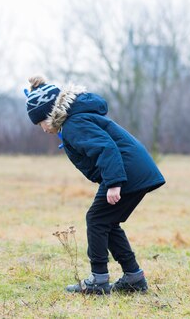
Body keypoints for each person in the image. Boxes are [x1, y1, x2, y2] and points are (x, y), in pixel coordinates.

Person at [24, 75, 165, 295]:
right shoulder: (75, 121)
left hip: (127, 173)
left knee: (96, 219)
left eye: (41, 122)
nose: (42, 129)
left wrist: (114, 183)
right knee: (107, 222)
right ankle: (133, 277)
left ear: (50, 114)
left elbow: (106, 149)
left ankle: (99, 280)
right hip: (132, 171)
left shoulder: (74, 125)